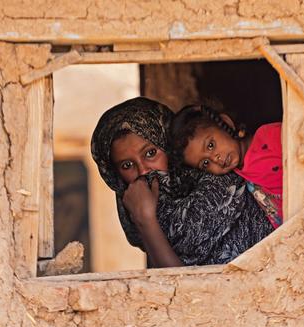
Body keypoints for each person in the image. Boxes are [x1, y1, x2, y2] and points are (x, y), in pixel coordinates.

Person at [91, 97, 273, 267]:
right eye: (127, 165)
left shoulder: (219, 175)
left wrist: (147, 222)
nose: (144, 170)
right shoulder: (136, 214)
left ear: (170, 148)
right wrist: (144, 219)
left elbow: (176, 277)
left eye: (150, 153)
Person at [169, 104, 283, 229]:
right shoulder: (238, 177)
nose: (215, 159)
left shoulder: (269, 136)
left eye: (211, 145)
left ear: (225, 123)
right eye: (205, 163)